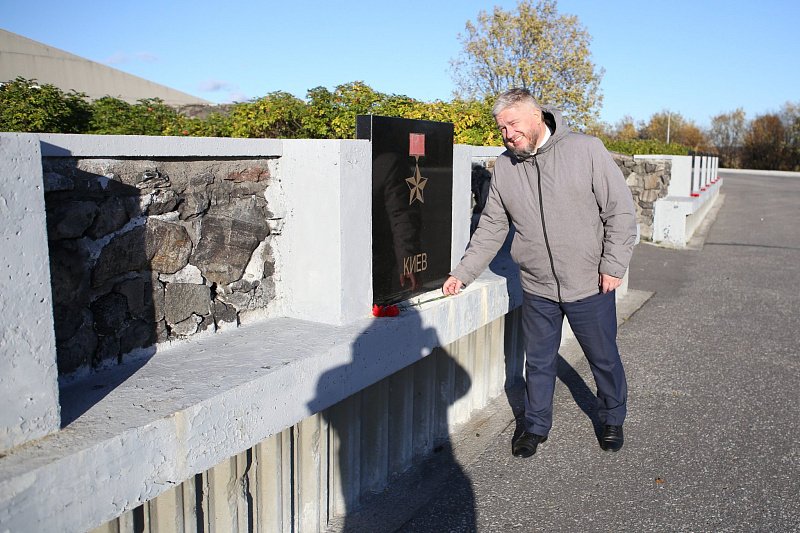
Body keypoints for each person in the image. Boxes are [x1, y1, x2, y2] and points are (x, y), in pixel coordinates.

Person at [442, 88, 637, 457]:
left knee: (603, 357)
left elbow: (620, 211)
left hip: (590, 282)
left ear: (535, 115)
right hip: (537, 286)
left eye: (512, 124)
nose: (507, 134)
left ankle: (612, 417)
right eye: (501, 128)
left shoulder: (586, 150)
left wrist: (613, 265)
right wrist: (463, 273)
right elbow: (492, 226)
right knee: (539, 362)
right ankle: (535, 425)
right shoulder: (506, 167)